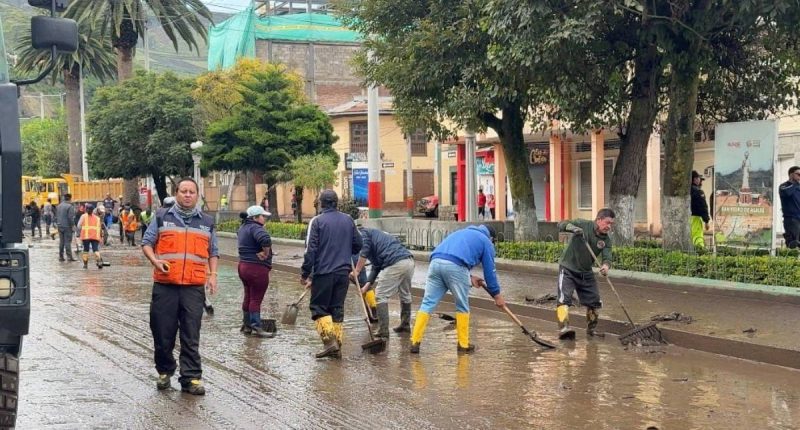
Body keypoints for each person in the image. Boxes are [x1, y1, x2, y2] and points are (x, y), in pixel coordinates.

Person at [141, 177, 218, 395]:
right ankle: (165, 371)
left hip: (193, 287)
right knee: (162, 332)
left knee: (191, 333)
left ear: (196, 195)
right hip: (165, 285)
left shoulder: (207, 221)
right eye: (183, 191)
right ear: (177, 193)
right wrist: (155, 261)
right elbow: (147, 243)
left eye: (191, 192)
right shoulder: (162, 216)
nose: (187, 195)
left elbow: (213, 251)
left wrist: (213, 275)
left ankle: (191, 377)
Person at [409, 224, 506, 354]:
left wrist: (469, 277)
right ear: (492, 238)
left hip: (435, 263)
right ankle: (463, 344)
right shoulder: (485, 241)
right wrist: (496, 295)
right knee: (462, 305)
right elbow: (490, 271)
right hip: (455, 267)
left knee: (427, 303)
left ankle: (415, 342)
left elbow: (453, 257)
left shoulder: (462, 233)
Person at [301, 190, 363, 359]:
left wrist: (306, 273)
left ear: (321, 203)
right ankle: (337, 347)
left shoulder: (317, 221)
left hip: (323, 273)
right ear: (337, 203)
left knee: (318, 308)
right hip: (343, 273)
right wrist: (346, 250)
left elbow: (310, 250)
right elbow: (359, 244)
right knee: (337, 309)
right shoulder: (348, 220)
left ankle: (330, 343)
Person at [555, 208, 615, 340]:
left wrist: (605, 266)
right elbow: (561, 224)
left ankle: (591, 330)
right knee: (564, 299)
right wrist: (572, 228)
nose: (609, 227)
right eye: (607, 223)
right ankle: (564, 328)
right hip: (568, 268)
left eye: (611, 224)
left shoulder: (606, 240)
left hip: (586, 272)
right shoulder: (583, 224)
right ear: (598, 220)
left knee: (594, 302)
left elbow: (607, 258)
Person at [351, 226, 415, 339]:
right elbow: (376, 267)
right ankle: (405, 325)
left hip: (395, 263)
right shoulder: (376, 239)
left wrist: (357, 270)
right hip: (408, 262)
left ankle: (383, 330)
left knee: (380, 295)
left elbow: (364, 253)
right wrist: (365, 287)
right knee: (405, 294)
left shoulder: (363, 233)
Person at [237, 206, 274, 338]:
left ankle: (246, 325)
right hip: (257, 269)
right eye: (263, 216)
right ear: (255, 217)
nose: (264, 218)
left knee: (248, 295)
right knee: (256, 299)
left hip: (243, 266)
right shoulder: (256, 228)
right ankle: (257, 327)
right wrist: (266, 252)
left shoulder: (243, 228)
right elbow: (265, 239)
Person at [77, 204, 105, 269]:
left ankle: (85, 265)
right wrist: (101, 236)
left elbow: (79, 226)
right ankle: (99, 262)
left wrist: (78, 233)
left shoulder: (83, 216)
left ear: (86, 209)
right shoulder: (97, 218)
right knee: (95, 249)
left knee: (86, 250)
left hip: (86, 237)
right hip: (95, 237)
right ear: (93, 210)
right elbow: (100, 228)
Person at [779, 166, 800, 249]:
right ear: (791, 175)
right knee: (793, 244)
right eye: (798, 174)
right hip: (792, 219)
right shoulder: (783, 186)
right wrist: (794, 183)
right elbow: (787, 193)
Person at [690, 170, 710, 250]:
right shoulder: (698, 192)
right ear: (695, 179)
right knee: (697, 237)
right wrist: (706, 221)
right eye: (699, 179)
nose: (700, 181)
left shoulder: (685, 191)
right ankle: (699, 254)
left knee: (690, 237)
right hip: (695, 218)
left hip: (686, 218)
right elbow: (703, 206)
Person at [55, 194, 77, 262]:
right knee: (67, 242)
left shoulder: (59, 206)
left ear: (64, 198)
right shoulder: (70, 206)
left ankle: (61, 257)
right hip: (67, 226)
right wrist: (73, 226)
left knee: (61, 242)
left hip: (59, 225)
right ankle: (69, 257)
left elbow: (57, 216)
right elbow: (71, 218)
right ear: (70, 198)